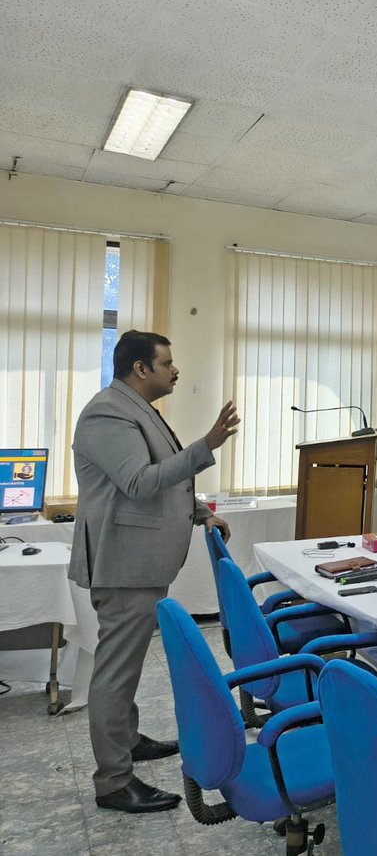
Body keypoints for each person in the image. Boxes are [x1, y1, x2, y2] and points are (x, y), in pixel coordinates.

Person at [70, 331, 239, 814]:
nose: (175, 370)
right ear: (140, 368)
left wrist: (202, 512)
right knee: (115, 673)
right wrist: (207, 444)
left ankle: (127, 740)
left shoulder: (139, 409)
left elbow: (166, 479)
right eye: (166, 363)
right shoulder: (107, 412)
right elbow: (139, 482)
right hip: (124, 565)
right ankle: (114, 781)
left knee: (125, 667)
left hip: (139, 562)